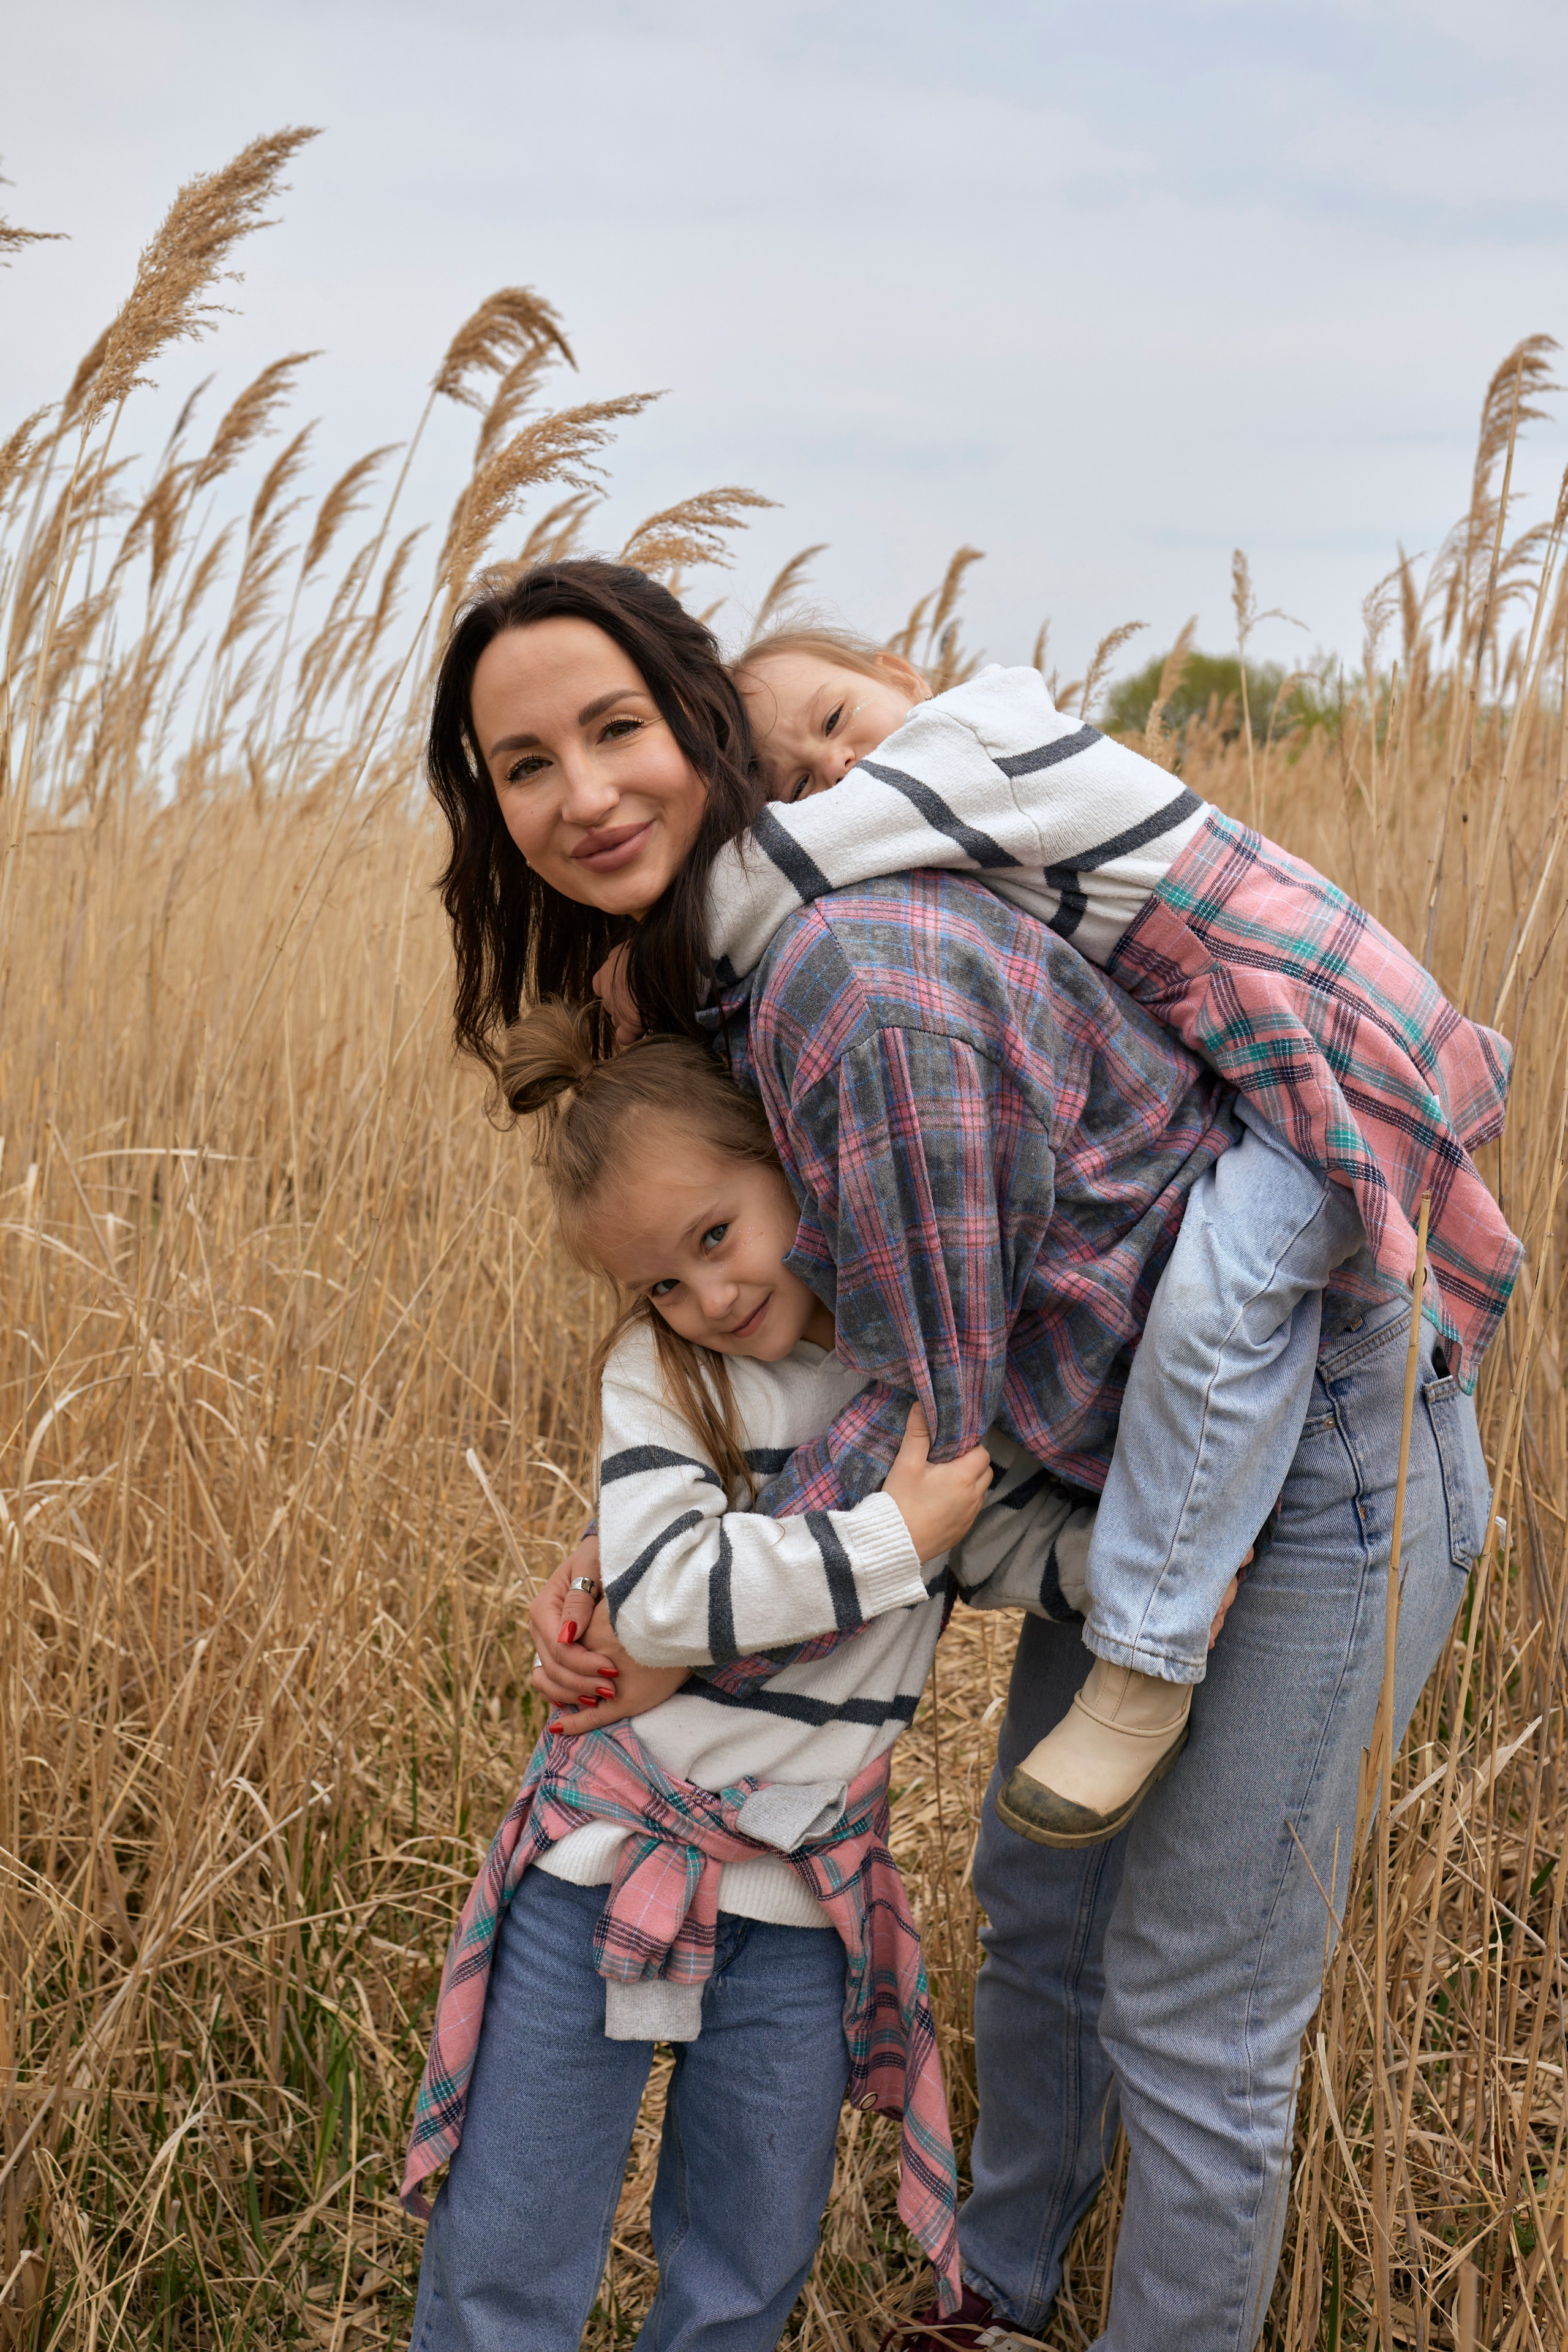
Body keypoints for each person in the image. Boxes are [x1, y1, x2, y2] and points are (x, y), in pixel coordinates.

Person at [427, 558, 1496, 2352]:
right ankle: (993, 2306)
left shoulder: (854, 973)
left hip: (1314, 1460)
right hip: (1126, 1477)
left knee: (1189, 2008)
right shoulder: (741, 977)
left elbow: (930, 1429)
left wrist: (676, 1614)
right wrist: (640, 1558)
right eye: (524, 764)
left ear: (704, 729)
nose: (583, 793)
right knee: (1044, 1920)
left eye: (618, 730)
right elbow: (799, 1354)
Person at [644, 625, 1517, 1845]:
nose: (831, 779)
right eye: (789, 779)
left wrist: (661, 953)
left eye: (836, 722)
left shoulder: (979, 743)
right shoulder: (947, 825)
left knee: (1226, 1296)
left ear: (907, 676)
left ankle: (1147, 1660)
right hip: (1248, 1054)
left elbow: (779, 877)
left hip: (1306, 1031)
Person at [402, 1002, 1096, 2351]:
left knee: (747, 2260)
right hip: (604, 1857)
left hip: (801, 1900)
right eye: (663, 1279)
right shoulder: (664, 1381)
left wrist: (1148, 1585)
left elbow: (1001, 1542)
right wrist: (897, 1534)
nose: (707, 1298)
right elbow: (663, 1592)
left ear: (798, 1165)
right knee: (508, 2245)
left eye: (717, 1237)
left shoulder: (914, 1380)